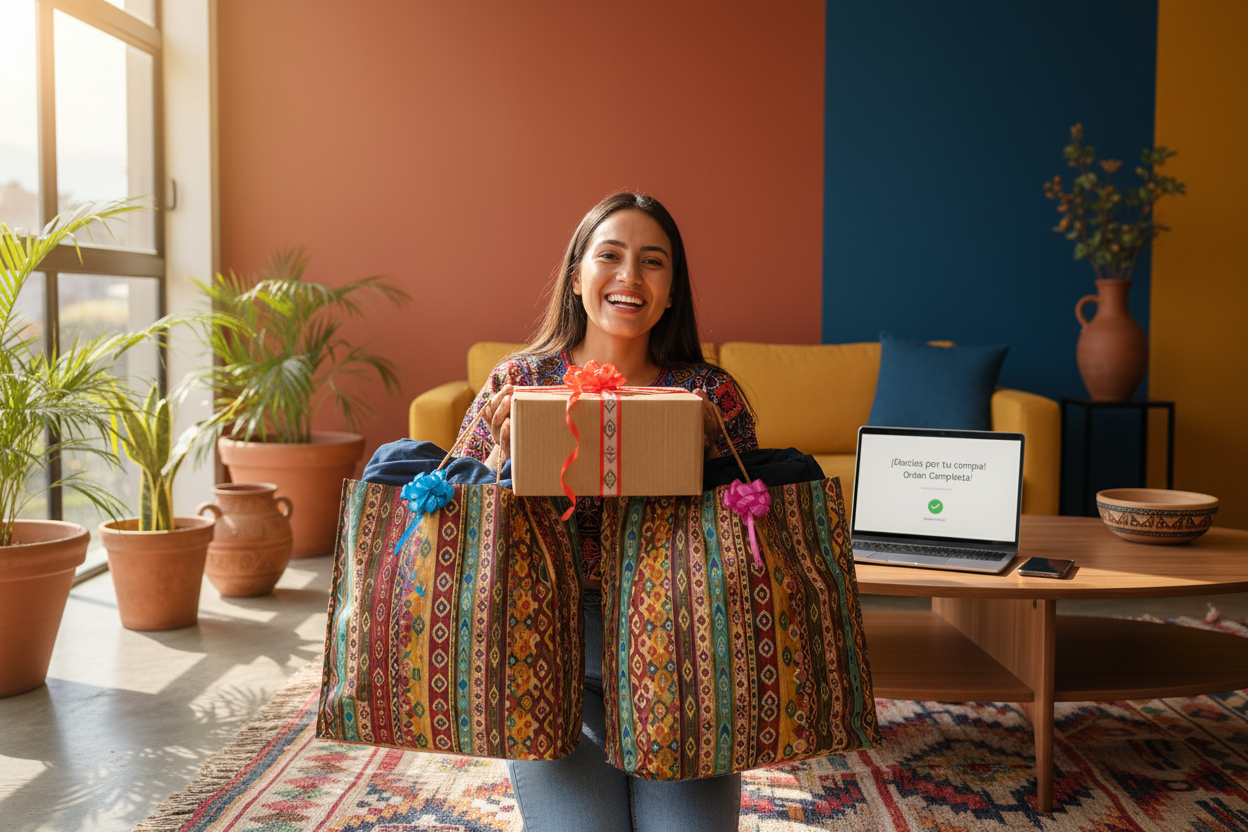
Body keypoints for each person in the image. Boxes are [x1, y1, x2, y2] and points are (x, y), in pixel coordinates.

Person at [454, 191, 757, 832]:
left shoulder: (707, 393)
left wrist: (713, 467)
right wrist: (502, 465)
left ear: (671, 291)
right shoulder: (521, 384)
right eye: (609, 256)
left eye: (653, 262)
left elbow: (754, 537)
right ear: (576, 277)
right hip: (546, 655)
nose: (629, 277)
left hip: (687, 654)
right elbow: (461, 528)